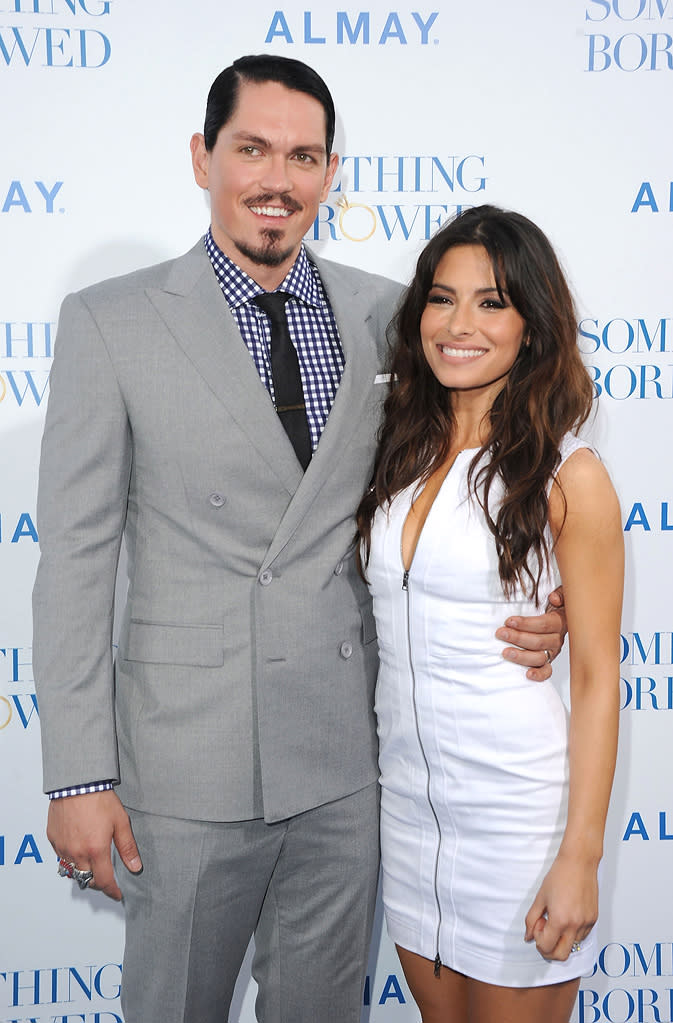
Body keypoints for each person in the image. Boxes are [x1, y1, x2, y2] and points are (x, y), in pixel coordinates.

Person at [32, 58, 567, 1023]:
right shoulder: (111, 322)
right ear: (203, 159)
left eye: (302, 155)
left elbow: (459, 491)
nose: (277, 177)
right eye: (252, 149)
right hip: (184, 769)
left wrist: (541, 599)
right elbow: (72, 561)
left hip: (343, 766)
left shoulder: (394, 315)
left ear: (329, 173)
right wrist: (78, 774)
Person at [357, 205, 623, 1023]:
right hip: (406, 819)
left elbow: (594, 677)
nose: (458, 324)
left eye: (491, 302)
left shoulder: (569, 474)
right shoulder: (396, 449)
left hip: (519, 824)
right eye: (441, 298)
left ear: (532, 325)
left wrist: (578, 855)